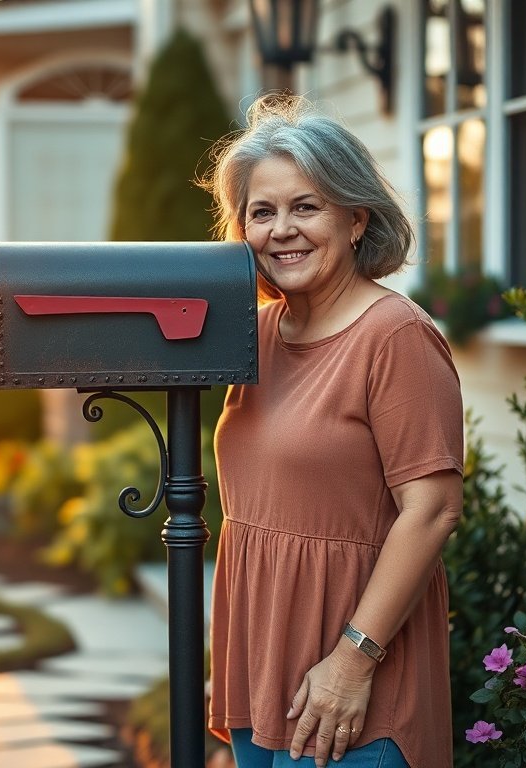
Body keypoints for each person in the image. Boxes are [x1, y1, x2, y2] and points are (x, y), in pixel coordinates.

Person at [202, 93, 464, 768]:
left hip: (355, 683)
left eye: (306, 206)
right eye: (262, 212)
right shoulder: (254, 334)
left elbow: (431, 511)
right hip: (264, 676)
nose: (281, 229)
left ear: (355, 220)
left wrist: (353, 660)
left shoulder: (395, 337)